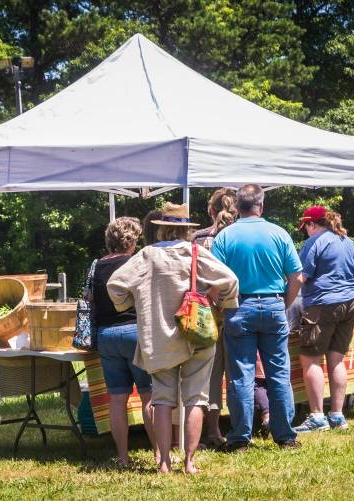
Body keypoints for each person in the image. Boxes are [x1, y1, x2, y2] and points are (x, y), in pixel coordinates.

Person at [107, 202, 239, 474]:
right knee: (196, 399)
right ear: (186, 229)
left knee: (162, 400)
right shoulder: (195, 252)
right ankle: (189, 463)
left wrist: (138, 301)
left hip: (160, 338)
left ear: (161, 229)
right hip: (197, 334)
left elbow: (115, 286)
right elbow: (230, 280)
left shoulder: (147, 256)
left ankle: (164, 462)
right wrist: (220, 305)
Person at [211, 184, 303, 451]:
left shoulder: (225, 237)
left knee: (241, 376)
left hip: (239, 306)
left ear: (238, 206)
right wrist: (283, 302)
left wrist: (220, 305)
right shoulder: (279, 234)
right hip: (274, 304)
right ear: (261, 206)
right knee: (278, 373)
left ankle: (240, 438)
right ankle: (285, 435)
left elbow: (214, 281)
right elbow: (296, 277)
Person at [93, 217, 156, 467]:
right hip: (134, 332)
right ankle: (159, 454)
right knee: (149, 395)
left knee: (116, 399)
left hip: (106, 335)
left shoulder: (96, 265)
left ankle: (122, 456)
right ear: (132, 240)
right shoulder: (136, 262)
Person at [294, 206, 354, 433]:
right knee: (337, 359)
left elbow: (301, 276)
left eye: (305, 228)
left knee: (310, 358)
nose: (305, 233)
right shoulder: (348, 242)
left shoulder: (314, 243)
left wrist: (285, 300)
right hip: (350, 302)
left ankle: (316, 416)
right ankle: (338, 415)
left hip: (323, 304)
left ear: (312, 224)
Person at [193, 188, 237, 447]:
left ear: (210, 210)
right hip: (234, 309)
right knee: (237, 372)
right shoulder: (238, 237)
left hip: (205, 312)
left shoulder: (198, 239)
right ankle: (240, 426)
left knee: (209, 374)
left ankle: (212, 429)